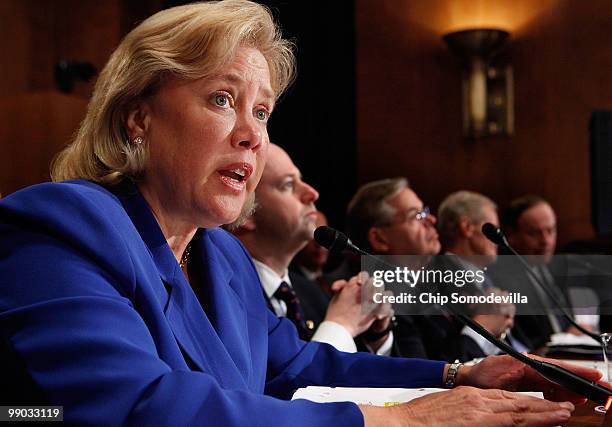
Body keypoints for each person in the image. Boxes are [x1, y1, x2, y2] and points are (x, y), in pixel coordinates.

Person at [0, 1, 600, 425]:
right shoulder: (64, 228)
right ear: (138, 117)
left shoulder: (223, 257)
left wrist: (459, 376)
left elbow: (296, 365)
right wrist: (402, 422)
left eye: (261, 112)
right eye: (221, 99)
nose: (250, 135)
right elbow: (141, 407)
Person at [232, 143, 391, 352]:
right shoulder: (226, 295)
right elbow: (278, 382)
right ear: (246, 211)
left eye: (301, 180)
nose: (312, 193)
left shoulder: (312, 293)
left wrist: (373, 333)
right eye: (288, 185)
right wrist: (340, 325)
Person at [492, 195, 596, 349]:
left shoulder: (557, 266)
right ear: (511, 236)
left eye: (550, 230)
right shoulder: (501, 279)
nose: (546, 241)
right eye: (534, 233)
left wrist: (582, 327)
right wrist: (566, 339)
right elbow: (522, 346)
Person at [437, 190, 530, 360]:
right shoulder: (440, 277)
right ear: (467, 228)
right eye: (493, 229)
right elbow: (447, 354)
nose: (499, 239)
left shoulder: (489, 278)